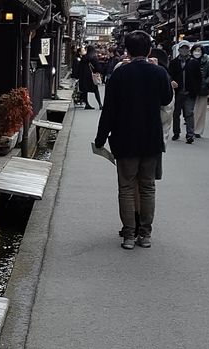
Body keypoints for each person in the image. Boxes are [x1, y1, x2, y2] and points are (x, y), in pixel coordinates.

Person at [94, 30, 174, 250]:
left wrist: (100, 138)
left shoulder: (120, 74)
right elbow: (167, 98)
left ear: (127, 51)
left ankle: (129, 235)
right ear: (149, 50)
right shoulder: (159, 73)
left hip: (125, 138)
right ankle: (145, 235)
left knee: (127, 188)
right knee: (147, 187)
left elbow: (109, 110)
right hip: (151, 139)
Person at [167, 42, 201, 142]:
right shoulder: (173, 62)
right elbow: (169, 75)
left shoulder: (194, 62)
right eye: (182, 48)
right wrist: (171, 82)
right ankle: (176, 132)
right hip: (177, 92)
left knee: (189, 113)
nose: (184, 50)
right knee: (176, 113)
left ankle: (190, 135)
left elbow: (198, 78)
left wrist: (196, 90)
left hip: (190, 93)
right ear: (179, 50)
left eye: (186, 48)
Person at [193, 44, 209, 135]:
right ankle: (191, 128)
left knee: (201, 111)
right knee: (191, 111)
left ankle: (198, 130)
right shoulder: (189, 61)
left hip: (203, 90)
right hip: (191, 90)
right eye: (195, 50)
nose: (197, 52)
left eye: (199, 50)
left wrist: (205, 82)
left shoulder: (207, 63)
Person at [77, 45, 103, 109]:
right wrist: (99, 72)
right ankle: (100, 104)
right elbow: (98, 67)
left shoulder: (84, 57)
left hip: (83, 77)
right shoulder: (93, 58)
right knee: (95, 90)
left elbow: (79, 67)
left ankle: (87, 104)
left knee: (85, 91)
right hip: (91, 77)